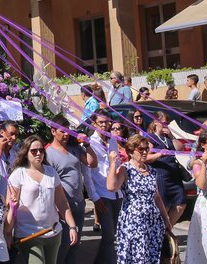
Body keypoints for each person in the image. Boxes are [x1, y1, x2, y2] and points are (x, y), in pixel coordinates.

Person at [9, 135, 77, 264]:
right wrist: (8, 233)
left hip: (53, 231)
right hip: (28, 233)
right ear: (26, 153)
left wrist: (72, 226)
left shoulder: (51, 172)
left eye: (41, 150)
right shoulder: (18, 174)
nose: (38, 154)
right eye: (33, 151)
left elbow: (62, 202)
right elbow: (10, 207)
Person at [107, 135, 171, 264]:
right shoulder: (126, 169)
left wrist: (166, 218)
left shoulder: (152, 171)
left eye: (146, 149)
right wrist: (113, 164)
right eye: (141, 149)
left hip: (152, 222)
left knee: (151, 256)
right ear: (131, 152)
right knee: (136, 257)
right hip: (133, 222)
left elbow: (156, 196)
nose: (145, 152)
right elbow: (111, 187)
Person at [46, 115, 97, 264]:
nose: (66, 134)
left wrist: (87, 145)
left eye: (67, 131)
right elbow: (49, 183)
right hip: (62, 206)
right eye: (62, 131)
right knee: (64, 244)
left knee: (75, 243)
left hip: (79, 203)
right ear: (53, 131)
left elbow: (92, 163)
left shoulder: (75, 148)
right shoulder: (48, 154)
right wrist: (57, 206)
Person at [84, 111, 121, 264]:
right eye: (101, 122)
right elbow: (87, 173)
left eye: (107, 122)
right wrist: (94, 196)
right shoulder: (90, 142)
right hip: (101, 192)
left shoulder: (112, 140)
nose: (105, 125)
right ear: (94, 124)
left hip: (117, 192)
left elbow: (117, 164)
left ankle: (98, 261)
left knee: (113, 234)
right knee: (108, 235)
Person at [146, 111, 187, 226]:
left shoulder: (167, 137)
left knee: (181, 204)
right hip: (161, 175)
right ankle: (161, 230)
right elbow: (146, 157)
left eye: (167, 123)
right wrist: (159, 154)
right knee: (165, 206)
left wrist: (171, 135)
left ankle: (167, 229)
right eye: (163, 123)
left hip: (174, 175)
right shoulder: (151, 138)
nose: (165, 125)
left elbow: (180, 148)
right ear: (156, 122)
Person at [184, 128, 207, 263]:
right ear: (203, 145)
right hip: (206, 206)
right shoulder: (198, 163)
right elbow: (201, 185)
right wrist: (205, 164)